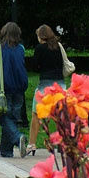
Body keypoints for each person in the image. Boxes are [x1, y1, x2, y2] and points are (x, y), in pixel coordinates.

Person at [0, 22, 28, 158]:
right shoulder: (21, 48)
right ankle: (6, 151)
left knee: (4, 118)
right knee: (12, 118)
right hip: (19, 88)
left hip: (3, 89)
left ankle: (18, 138)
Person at [27, 24, 65, 155]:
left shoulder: (40, 48)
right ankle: (63, 142)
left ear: (41, 36)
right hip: (60, 85)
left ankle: (32, 144)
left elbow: (35, 67)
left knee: (36, 114)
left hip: (44, 85)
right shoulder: (58, 47)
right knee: (60, 115)